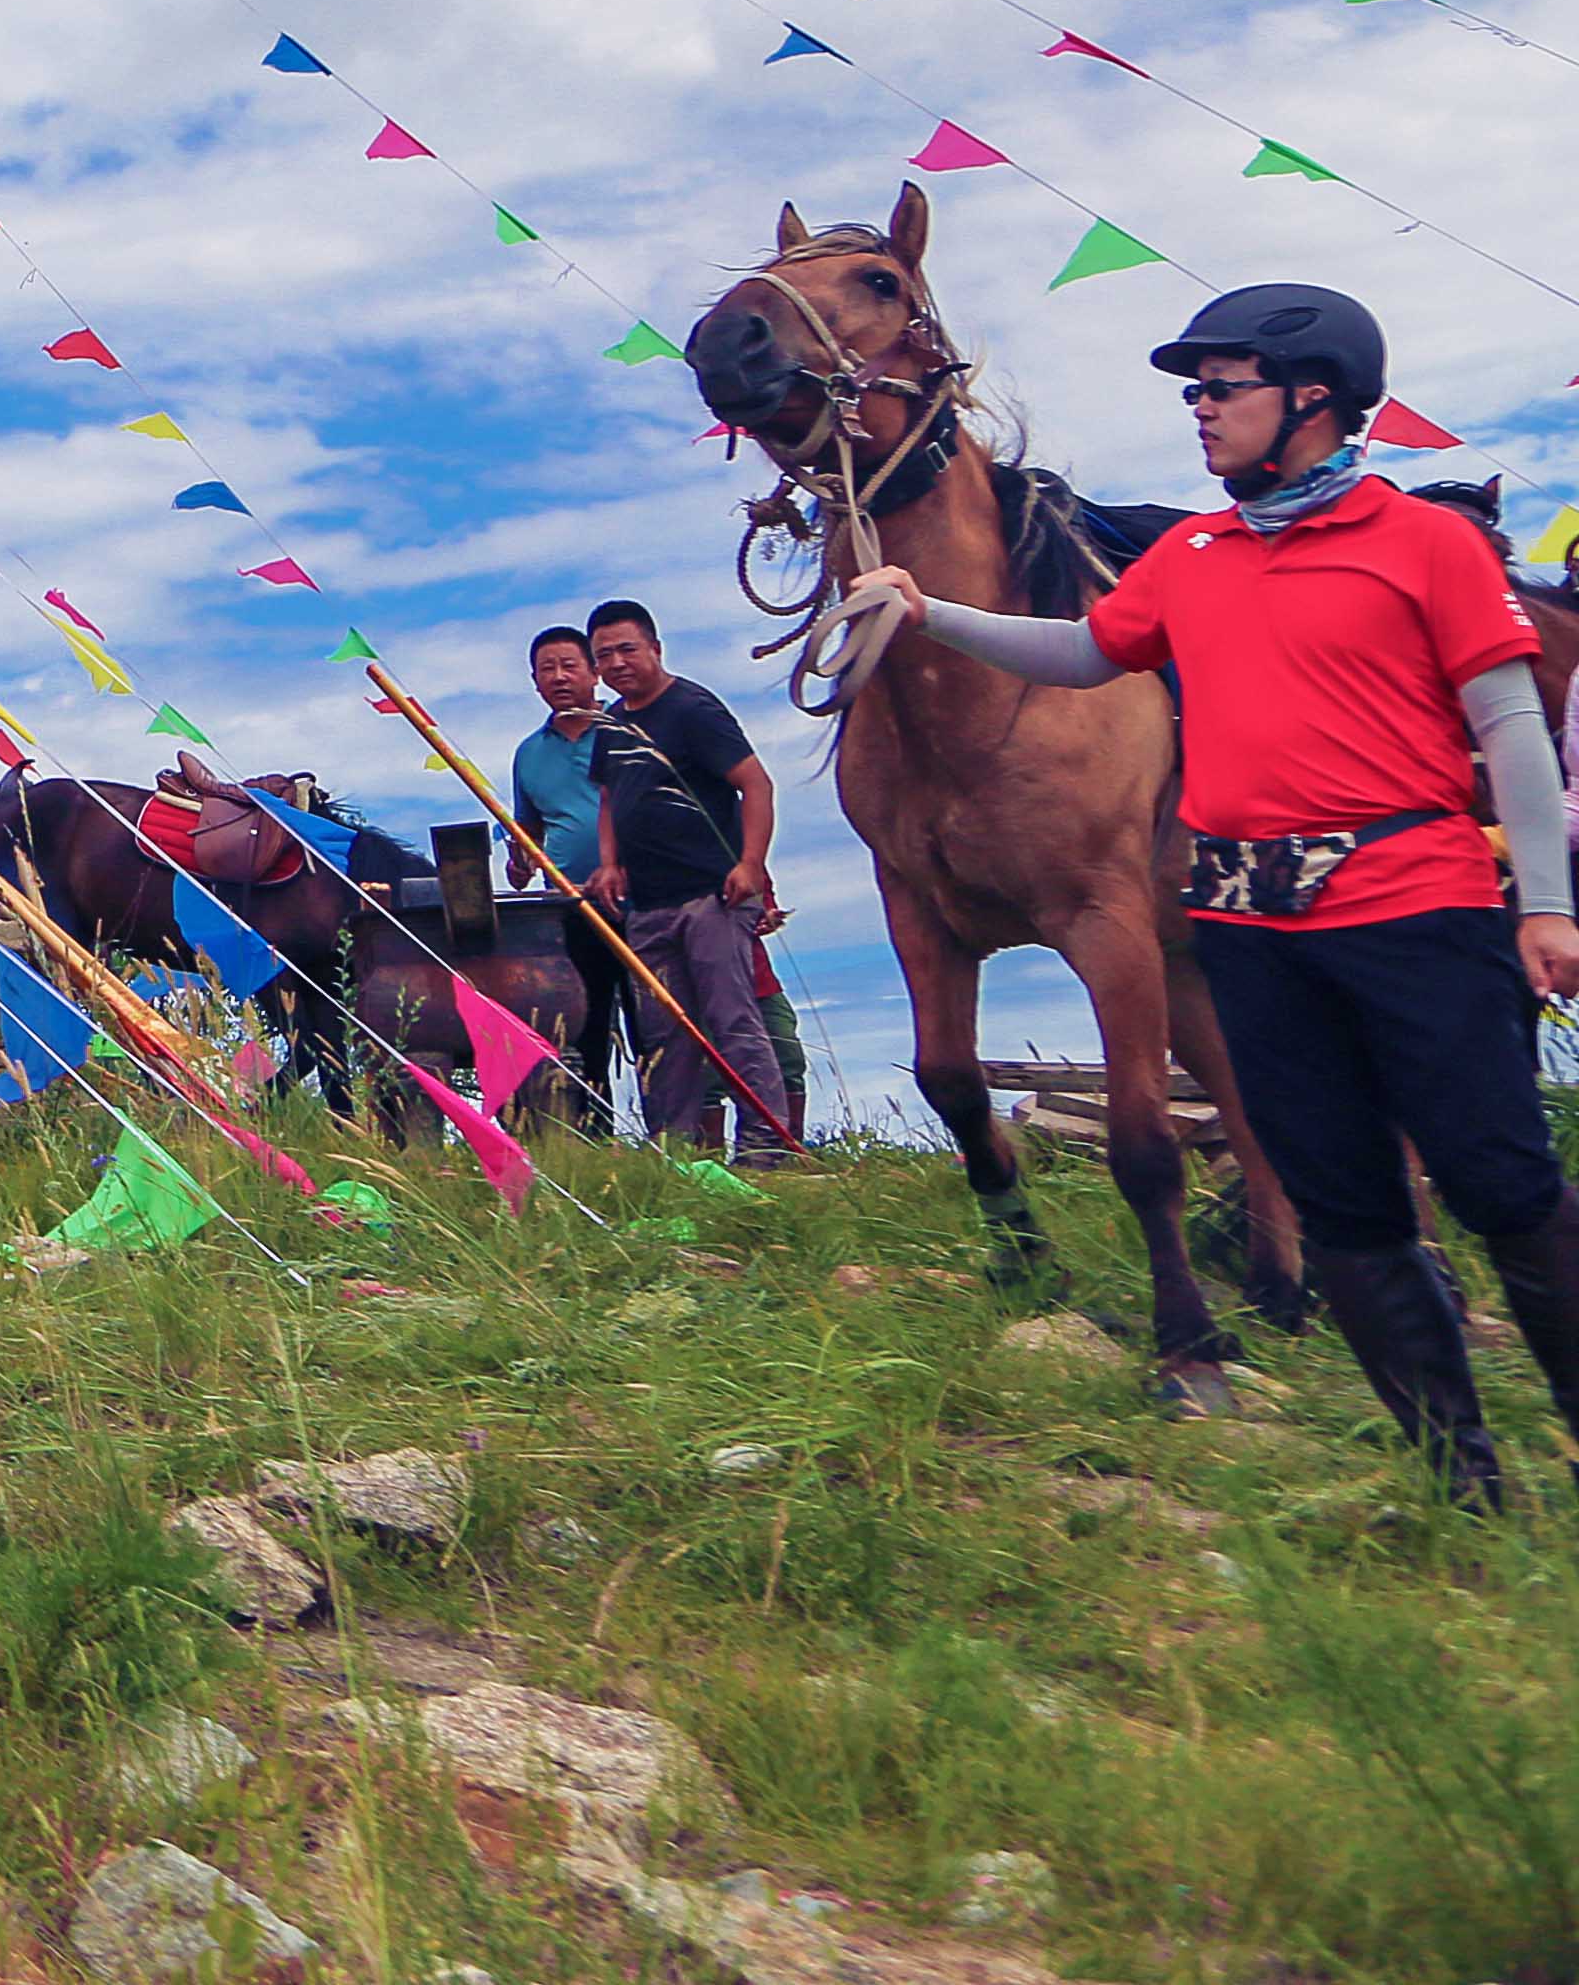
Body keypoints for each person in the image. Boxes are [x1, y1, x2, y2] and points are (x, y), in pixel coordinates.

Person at [853, 282, 1579, 1503]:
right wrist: (937, 615)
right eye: (1193, 390)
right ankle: (1461, 1479)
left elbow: (1508, 720)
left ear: (1312, 400)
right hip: (1249, 925)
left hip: (1416, 902)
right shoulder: (1191, 555)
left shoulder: (1427, 541)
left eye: (1220, 388)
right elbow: (1085, 653)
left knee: (1497, 1179)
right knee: (1345, 1207)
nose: (1198, 409)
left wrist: (1548, 902)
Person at [583, 598, 802, 1159]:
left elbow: (756, 784)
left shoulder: (694, 708)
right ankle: (674, 1153)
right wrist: (609, 862)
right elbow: (610, 798)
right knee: (662, 1035)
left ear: (655, 648)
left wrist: (750, 864)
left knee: (733, 1020)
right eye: (604, 655)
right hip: (648, 905)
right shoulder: (612, 725)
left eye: (627, 649)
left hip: (712, 894)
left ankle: (765, 1147)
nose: (617, 663)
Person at [505, 623, 634, 1134]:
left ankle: (679, 1138)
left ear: (594, 672)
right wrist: (520, 863)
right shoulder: (529, 752)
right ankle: (598, 1135)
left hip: (639, 897)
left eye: (569, 665)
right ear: (534, 681)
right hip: (569, 908)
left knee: (655, 1020)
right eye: (546, 669)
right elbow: (529, 830)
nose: (559, 677)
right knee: (584, 1023)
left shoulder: (627, 731)